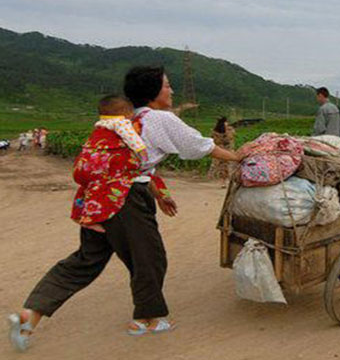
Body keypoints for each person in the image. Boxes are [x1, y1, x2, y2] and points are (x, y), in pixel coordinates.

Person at [8, 66, 241, 352]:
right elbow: (198, 146)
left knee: (85, 261)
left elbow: (138, 163)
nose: (172, 91)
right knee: (149, 257)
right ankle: (147, 319)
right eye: (167, 85)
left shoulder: (122, 121)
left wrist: (157, 192)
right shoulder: (158, 118)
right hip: (126, 200)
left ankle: (31, 313)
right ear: (154, 92)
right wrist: (238, 157)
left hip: (98, 197)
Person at [70, 95, 155, 233]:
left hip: (83, 164)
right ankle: (90, 219)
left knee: (87, 188)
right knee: (104, 189)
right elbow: (131, 138)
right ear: (128, 113)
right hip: (100, 167)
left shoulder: (100, 125)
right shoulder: (121, 123)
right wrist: (142, 151)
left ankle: (78, 214)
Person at [208, 116, 236, 188]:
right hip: (223, 150)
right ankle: (224, 181)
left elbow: (230, 138)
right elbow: (228, 139)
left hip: (222, 150)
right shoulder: (216, 132)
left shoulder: (227, 130)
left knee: (225, 166)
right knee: (223, 166)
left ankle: (224, 181)